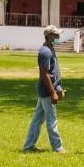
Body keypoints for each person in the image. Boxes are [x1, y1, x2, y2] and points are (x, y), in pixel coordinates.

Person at [22, 25, 66, 153]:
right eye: (56, 35)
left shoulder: (50, 49)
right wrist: (53, 93)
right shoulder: (45, 52)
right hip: (47, 92)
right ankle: (58, 148)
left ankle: (29, 146)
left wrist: (59, 88)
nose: (58, 37)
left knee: (37, 120)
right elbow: (45, 74)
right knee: (52, 120)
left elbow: (53, 73)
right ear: (49, 37)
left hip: (47, 90)